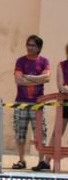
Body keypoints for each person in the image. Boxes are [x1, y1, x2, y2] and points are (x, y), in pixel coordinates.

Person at [11, 34, 50, 170]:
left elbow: (46, 78)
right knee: (20, 132)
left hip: (38, 103)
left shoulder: (44, 61)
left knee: (40, 133)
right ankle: (21, 160)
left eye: (33, 45)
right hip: (21, 102)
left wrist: (28, 77)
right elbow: (18, 80)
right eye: (28, 44)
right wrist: (36, 79)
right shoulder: (21, 61)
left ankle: (41, 161)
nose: (29, 47)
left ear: (39, 47)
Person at [33, 42, 68, 171]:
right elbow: (61, 86)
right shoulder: (62, 65)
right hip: (64, 103)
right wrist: (65, 88)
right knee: (57, 132)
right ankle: (47, 161)